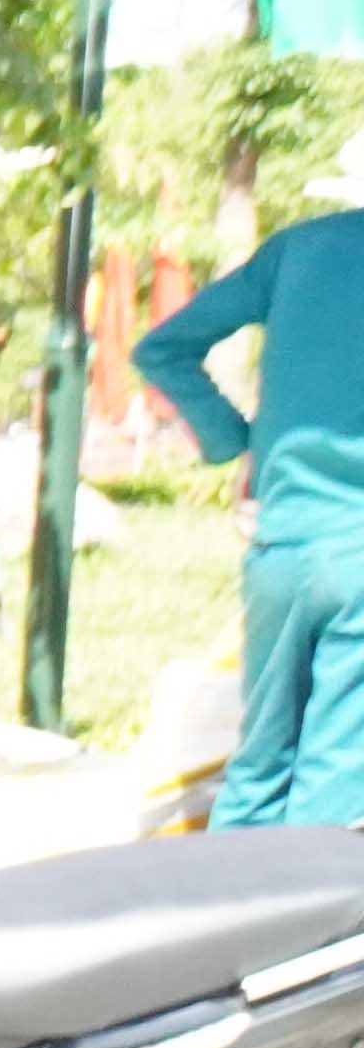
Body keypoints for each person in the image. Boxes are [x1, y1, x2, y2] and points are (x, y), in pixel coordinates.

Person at [134, 203, 364, 830]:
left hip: (279, 545)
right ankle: (304, 919)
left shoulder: (298, 250)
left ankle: (222, 911)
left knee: (258, 764)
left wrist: (232, 441)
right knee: (334, 777)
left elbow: (162, 348)